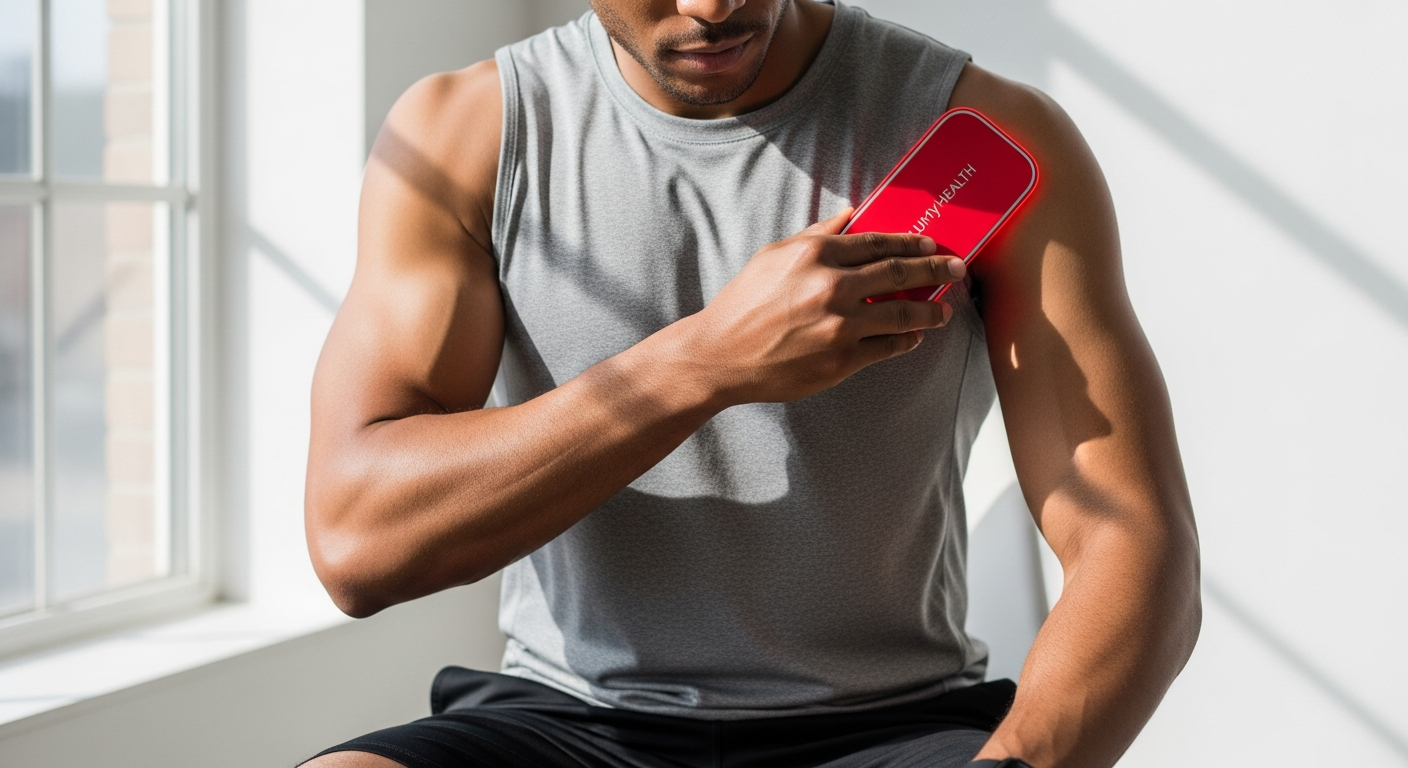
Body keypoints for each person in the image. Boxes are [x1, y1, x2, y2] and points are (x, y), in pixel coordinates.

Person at [301, 1, 1201, 766]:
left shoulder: (985, 134)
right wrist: (706, 363)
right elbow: (358, 545)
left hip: (889, 728)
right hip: (570, 722)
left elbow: (1135, 542)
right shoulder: (467, 134)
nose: (712, 5)